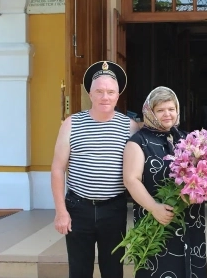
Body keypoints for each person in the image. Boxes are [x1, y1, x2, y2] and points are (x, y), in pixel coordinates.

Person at [51, 61, 139, 278]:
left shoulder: (130, 126)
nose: (105, 97)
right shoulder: (71, 124)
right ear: (90, 94)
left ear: (118, 95)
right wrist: (61, 212)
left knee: (113, 270)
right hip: (78, 208)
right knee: (79, 270)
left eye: (110, 92)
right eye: (99, 91)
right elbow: (57, 168)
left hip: (114, 209)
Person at [123, 86, 207, 278]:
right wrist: (154, 208)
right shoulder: (138, 142)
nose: (167, 114)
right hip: (157, 220)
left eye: (171, 109)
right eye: (160, 110)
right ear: (150, 113)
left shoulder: (189, 139)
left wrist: (200, 193)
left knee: (191, 268)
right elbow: (131, 180)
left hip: (190, 220)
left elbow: (205, 175)